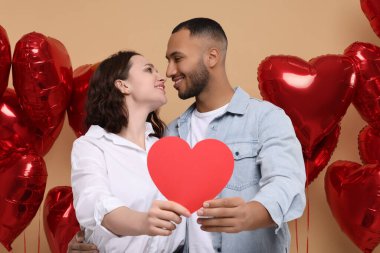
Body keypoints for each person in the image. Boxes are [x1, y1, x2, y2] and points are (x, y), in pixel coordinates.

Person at [69, 18, 306, 253]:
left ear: (211, 57)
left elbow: (286, 183)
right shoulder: (170, 136)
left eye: (178, 59)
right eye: (164, 63)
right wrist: (89, 237)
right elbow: (116, 197)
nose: (169, 72)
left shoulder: (265, 118)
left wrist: (250, 214)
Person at [71, 50, 192, 253]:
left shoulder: (167, 145)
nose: (161, 76)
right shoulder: (92, 145)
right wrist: (144, 222)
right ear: (123, 84)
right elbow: (95, 204)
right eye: (148, 70)